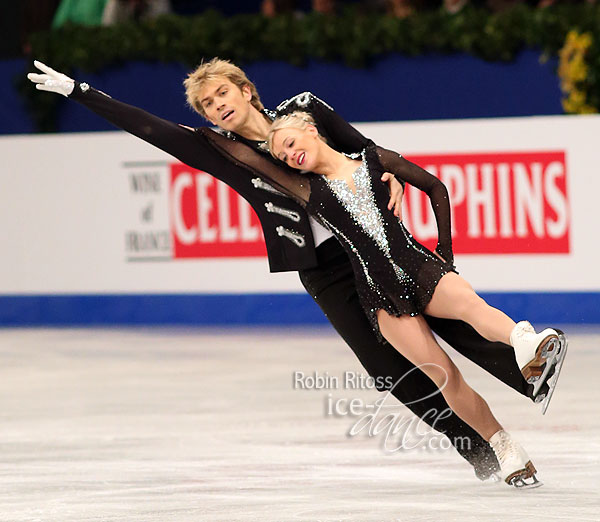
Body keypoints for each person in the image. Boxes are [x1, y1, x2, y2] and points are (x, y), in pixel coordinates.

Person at [27, 59, 565, 485]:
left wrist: (392, 177)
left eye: (222, 95)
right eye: (208, 105)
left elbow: (360, 148)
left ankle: (529, 367)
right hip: (324, 270)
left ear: (245, 90)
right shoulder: (223, 151)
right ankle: (481, 447)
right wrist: (81, 92)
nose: (217, 108)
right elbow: (152, 128)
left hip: (373, 238)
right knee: (393, 365)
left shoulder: (304, 112)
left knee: (455, 314)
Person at [266, 110, 568, 486]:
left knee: (473, 308)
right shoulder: (308, 190)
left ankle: (528, 343)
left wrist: (446, 250)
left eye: (291, 143)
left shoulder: (375, 159)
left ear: (311, 130)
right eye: (281, 156)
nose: (289, 155)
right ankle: (504, 447)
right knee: (444, 376)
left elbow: (435, 187)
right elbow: (243, 159)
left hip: (419, 265)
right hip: (379, 294)